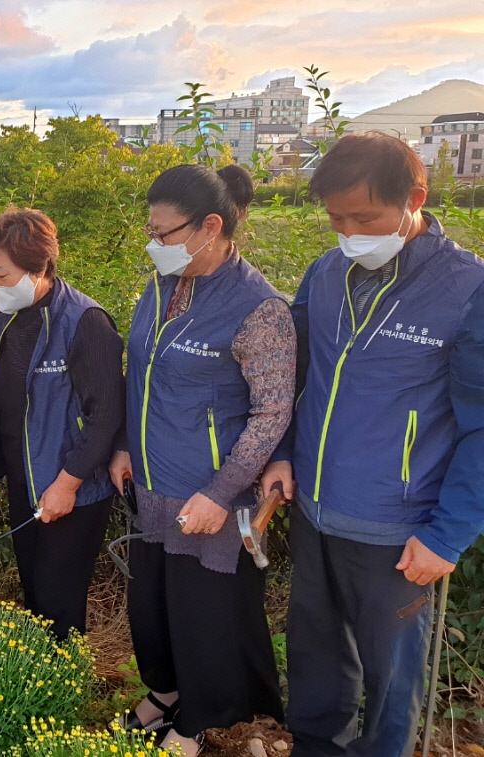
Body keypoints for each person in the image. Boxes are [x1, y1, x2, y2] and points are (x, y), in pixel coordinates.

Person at [260, 134, 484, 757]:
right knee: (315, 651)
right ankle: (314, 745)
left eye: (365, 217)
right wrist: (280, 454)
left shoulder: (466, 290)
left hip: (398, 525)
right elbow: (296, 374)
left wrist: (447, 535)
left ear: (415, 198)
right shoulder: (326, 274)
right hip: (317, 508)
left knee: (393, 677)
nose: (350, 231)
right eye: (336, 218)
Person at [108, 164, 294, 757]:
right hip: (153, 478)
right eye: (151, 230)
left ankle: (205, 716)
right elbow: (140, 371)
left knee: (204, 613)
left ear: (210, 226)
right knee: (154, 606)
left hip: (209, 489)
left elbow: (271, 413)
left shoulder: (258, 309)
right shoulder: (164, 283)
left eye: (164, 233)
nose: (153, 243)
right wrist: (122, 445)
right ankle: (165, 692)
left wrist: (221, 493)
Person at [0, 209, 124, 640]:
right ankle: (43, 682)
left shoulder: (85, 323)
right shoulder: (6, 315)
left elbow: (106, 416)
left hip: (71, 486)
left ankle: (62, 687)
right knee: (34, 588)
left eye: (1, 274)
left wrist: (67, 485)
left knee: (59, 596)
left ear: (38, 267)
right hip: (25, 477)